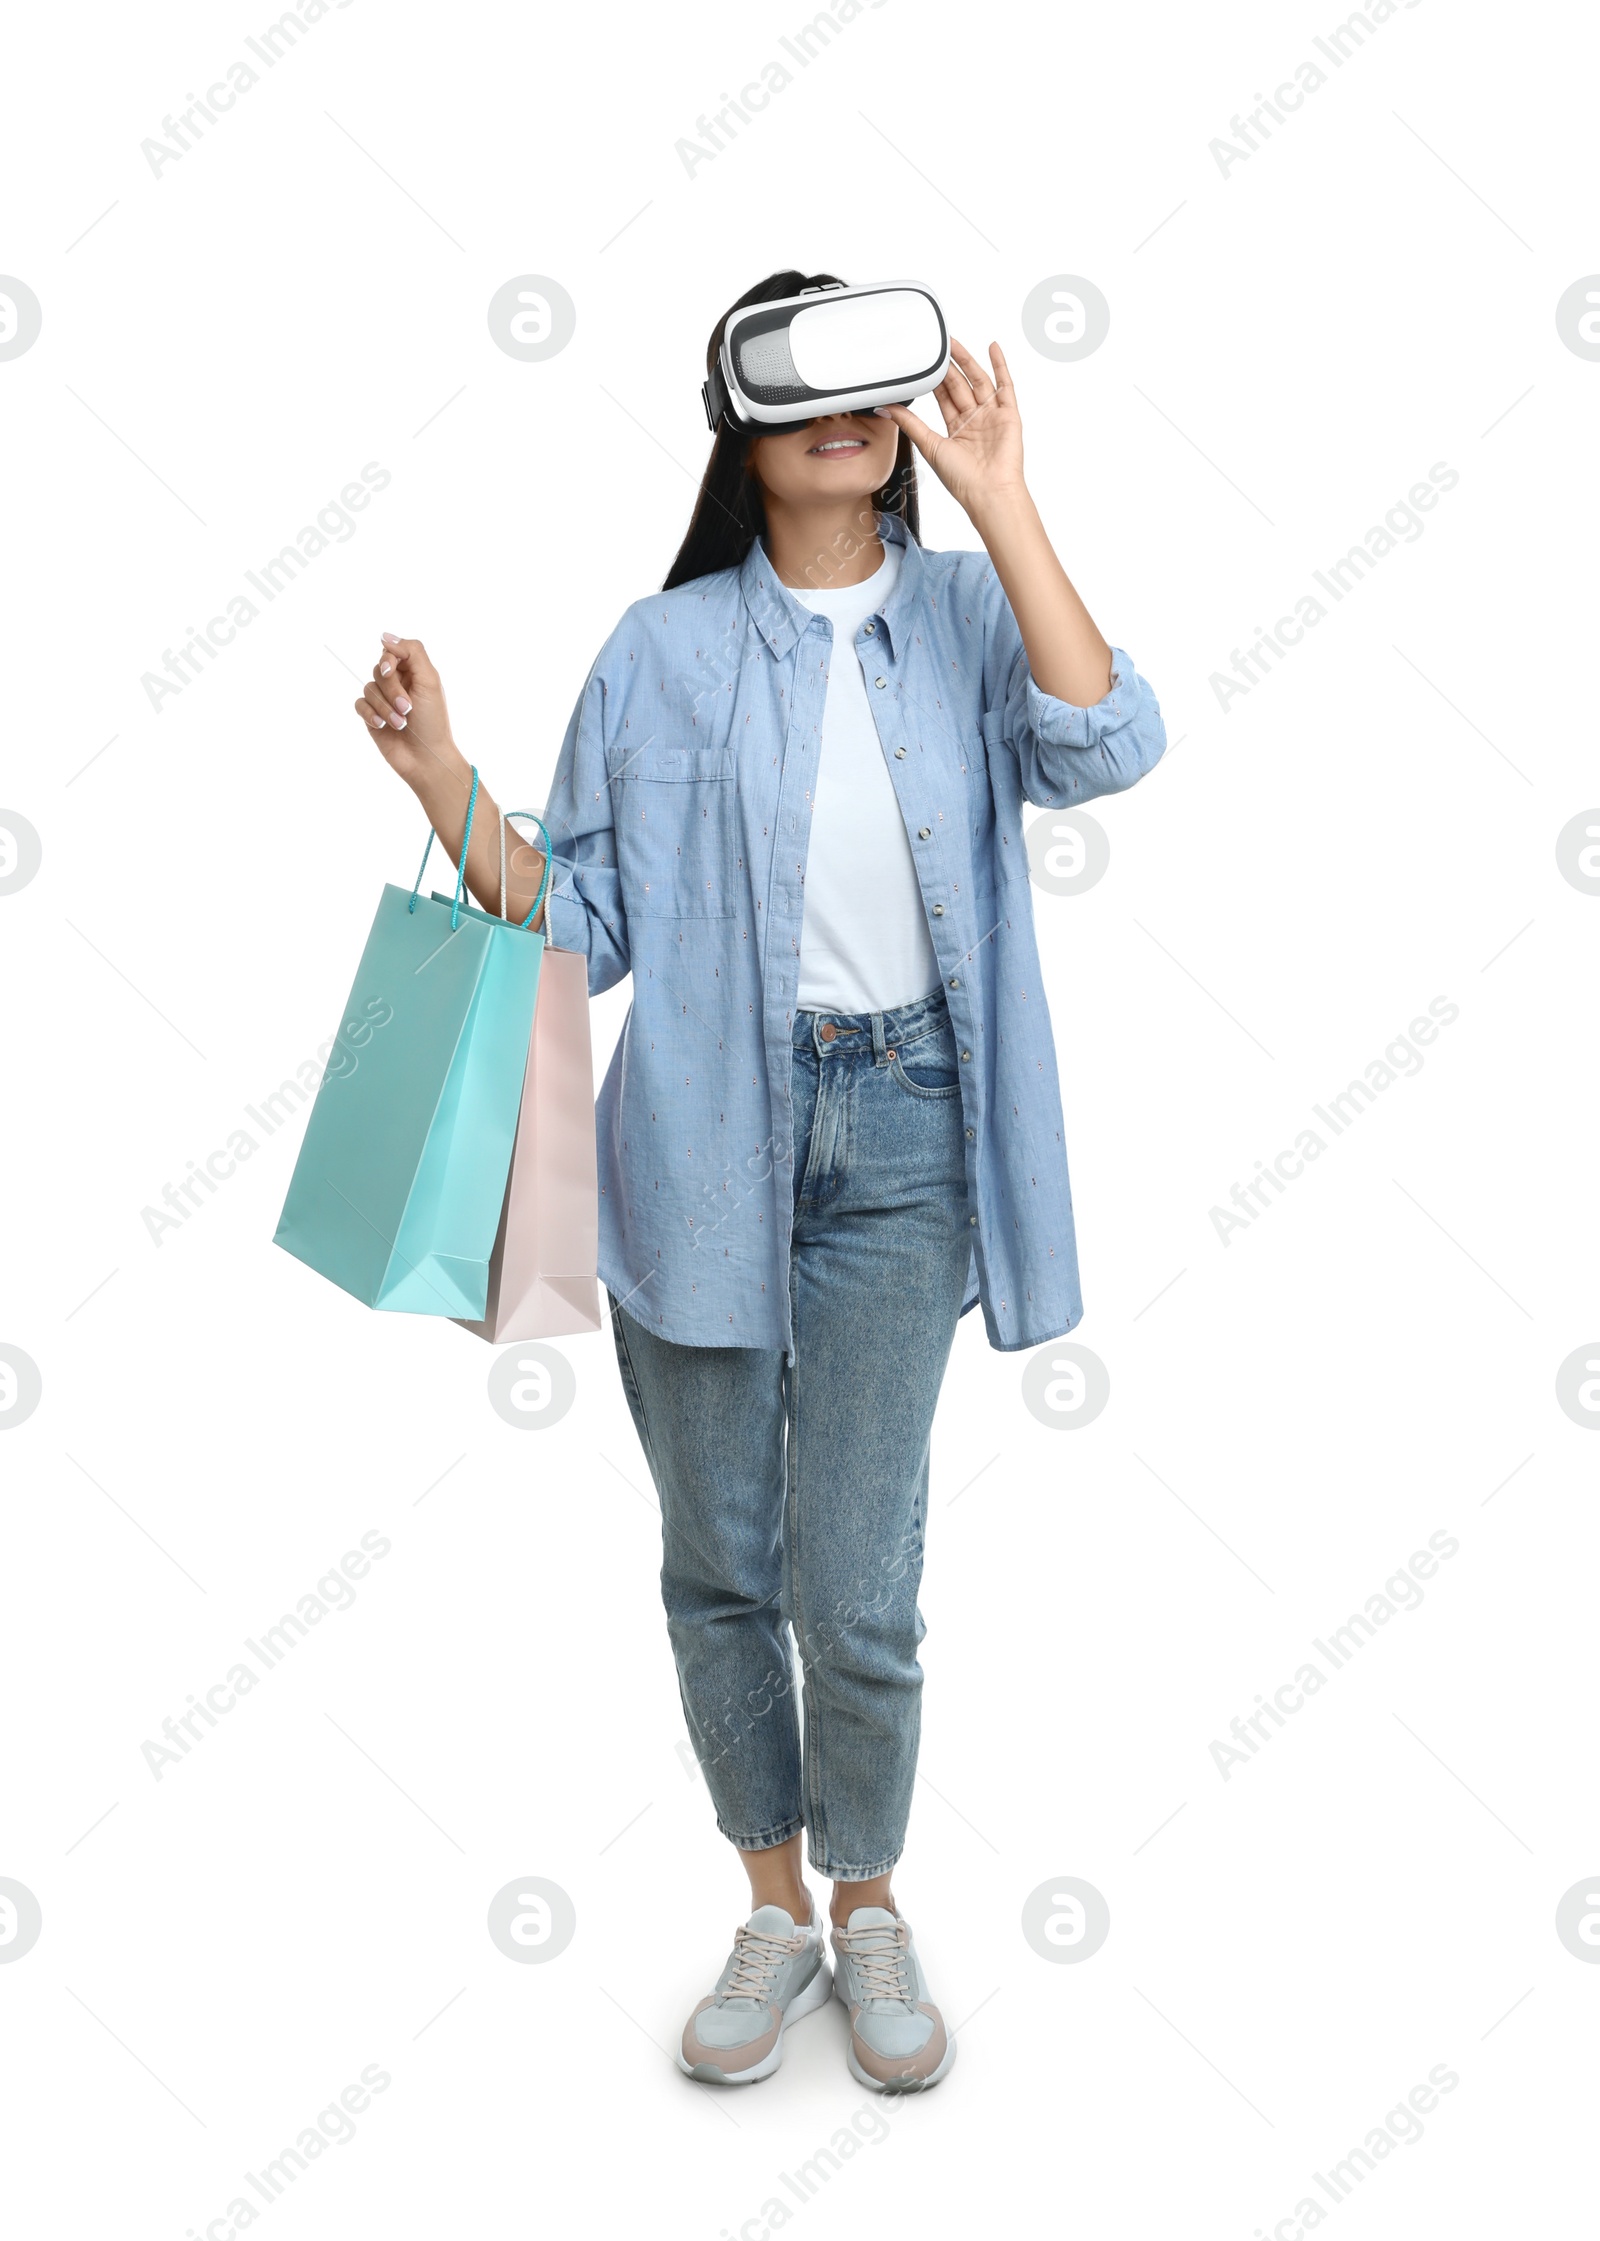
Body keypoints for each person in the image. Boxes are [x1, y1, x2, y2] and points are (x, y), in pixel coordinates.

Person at [353, 269, 1166, 2093]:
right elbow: (586, 928)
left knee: (858, 1577)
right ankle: (774, 1905)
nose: (850, 409)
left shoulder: (964, 618)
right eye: (799, 381)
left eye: (873, 383)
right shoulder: (659, 649)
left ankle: (872, 1901)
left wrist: (1006, 495)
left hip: (906, 1136)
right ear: (738, 422)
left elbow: (1111, 738)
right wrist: (440, 779)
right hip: (698, 1141)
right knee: (720, 1566)